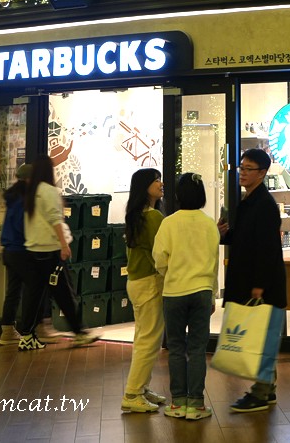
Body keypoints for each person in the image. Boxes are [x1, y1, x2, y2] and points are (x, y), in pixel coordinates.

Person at [219, 148, 285, 412]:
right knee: (261, 337)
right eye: (241, 168)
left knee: (263, 338)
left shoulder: (265, 205)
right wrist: (224, 235)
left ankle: (261, 392)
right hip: (251, 281)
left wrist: (260, 284)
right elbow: (245, 238)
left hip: (263, 286)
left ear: (262, 172)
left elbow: (267, 248)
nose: (243, 173)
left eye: (248, 169)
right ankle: (266, 390)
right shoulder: (248, 201)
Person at [154, 173, 219, 421]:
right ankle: (197, 404)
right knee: (198, 349)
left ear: (179, 196)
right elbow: (214, 263)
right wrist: (212, 293)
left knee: (176, 348)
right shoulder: (208, 224)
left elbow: (159, 259)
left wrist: (170, 273)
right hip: (202, 291)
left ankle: (177, 402)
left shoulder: (168, 223)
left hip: (174, 292)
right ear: (202, 195)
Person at [15, 157, 97, 351]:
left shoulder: (30, 192)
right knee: (64, 294)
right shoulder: (49, 191)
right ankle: (79, 334)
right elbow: (55, 220)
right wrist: (64, 245)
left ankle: (26, 335)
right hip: (51, 252)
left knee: (33, 295)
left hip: (33, 251)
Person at [0, 164, 64, 346]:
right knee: (36, 289)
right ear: (29, 180)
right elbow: (24, 226)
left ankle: (7, 331)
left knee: (14, 291)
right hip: (22, 251)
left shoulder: (12, 197)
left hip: (9, 250)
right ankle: (36, 329)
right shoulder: (24, 199)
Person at [120, 168, 168, 414]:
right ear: (144, 186)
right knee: (149, 341)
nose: (161, 183)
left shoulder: (135, 214)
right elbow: (159, 255)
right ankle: (133, 392)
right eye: (155, 180)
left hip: (136, 282)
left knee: (144, 337)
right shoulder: (154, 218)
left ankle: (142, 387)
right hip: (150, 282)